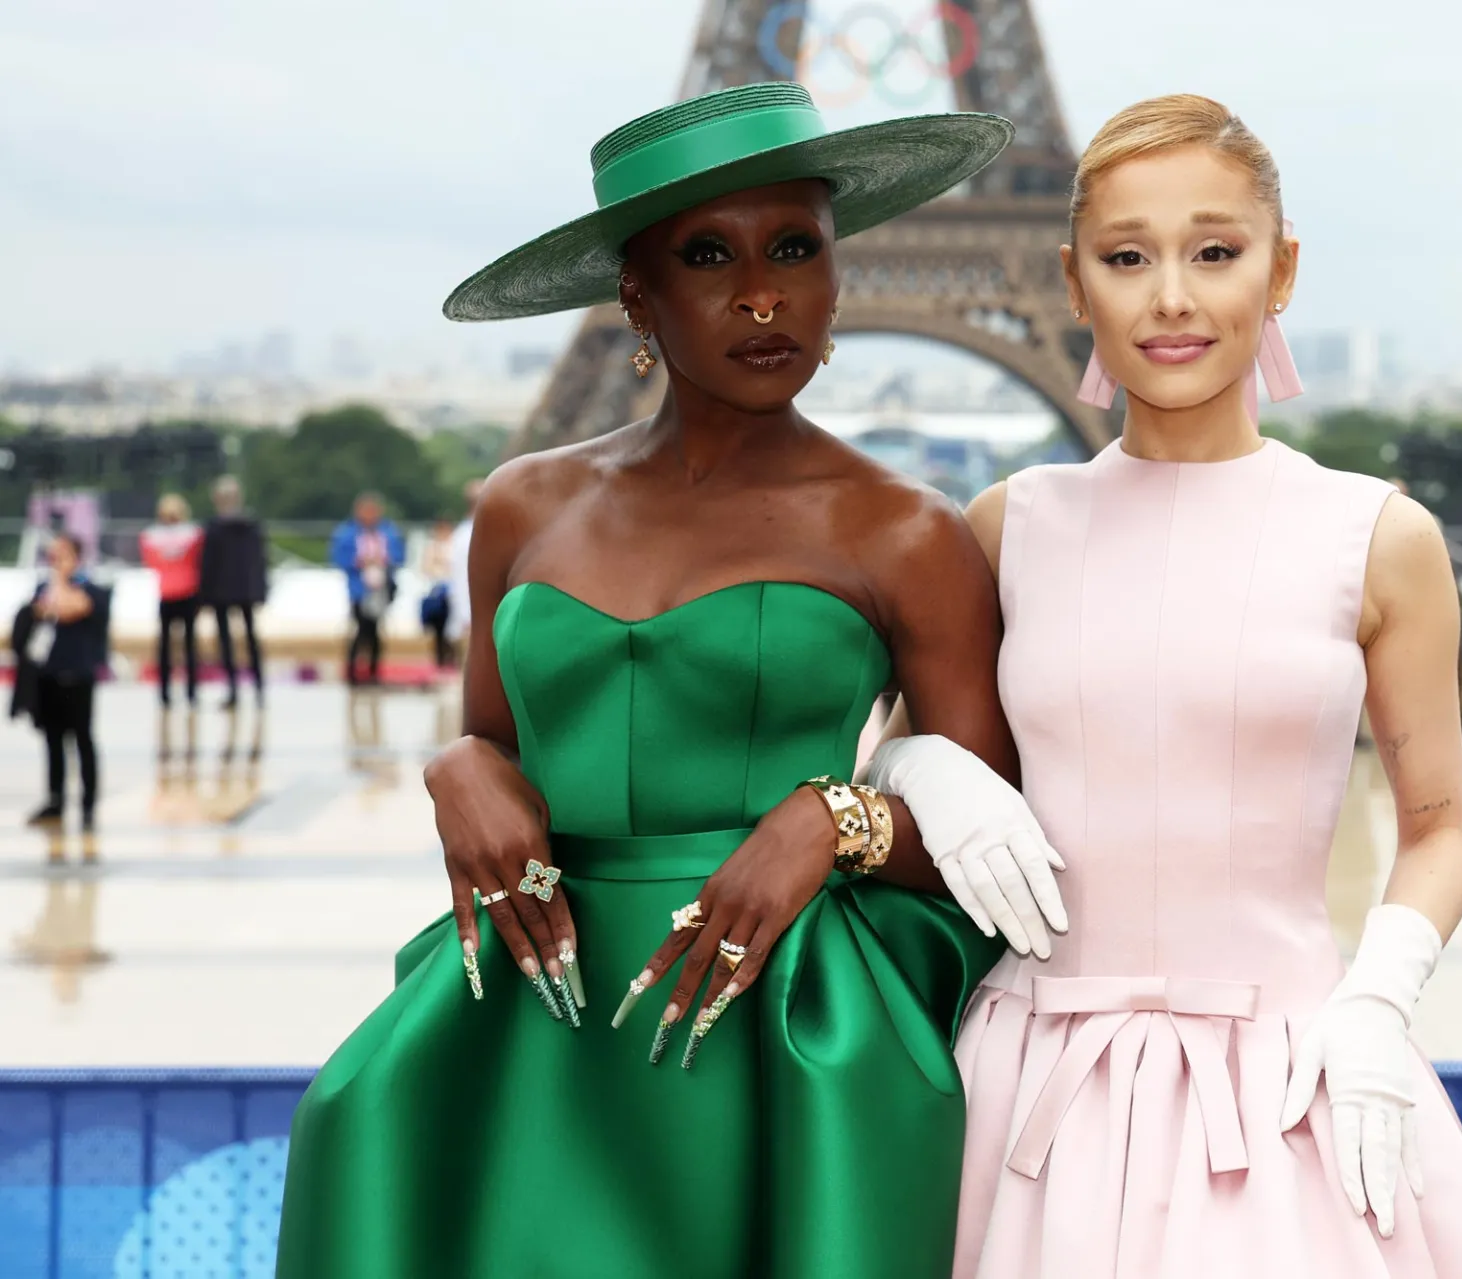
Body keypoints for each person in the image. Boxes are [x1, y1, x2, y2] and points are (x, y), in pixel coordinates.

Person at [277, 83, 1063, 1279]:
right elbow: (494, 745)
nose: (762, 294)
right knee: (357, 1125)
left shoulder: (906, 531)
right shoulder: (522, 503)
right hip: (531, 1019)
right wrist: (455, 766)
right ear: (635, 296)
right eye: (707, 255)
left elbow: (989, 847)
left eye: (794, 248)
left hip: (773, 1028)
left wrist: (831, 819)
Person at [899, 94, 1462, 1275]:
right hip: (1025, 1094)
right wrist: (918, 760)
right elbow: (878, 766)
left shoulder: (1378, 537)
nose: (1171, 296)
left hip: (1289, 1078)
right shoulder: (1003, 527)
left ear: (1280, 270)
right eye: (1126, 257)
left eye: (1215, 252)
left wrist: (1378, 999)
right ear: (1071, 283)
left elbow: (1438, 826)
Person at [19, 533, 111, 830]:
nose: (56, 560)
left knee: (82, 738)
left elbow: (71, 608)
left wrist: (59, 581)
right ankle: (55, 799)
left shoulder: (92, 589)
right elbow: (40, 609)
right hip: (49, 673)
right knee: (52, 739)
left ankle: (88, 802)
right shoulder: (43, 587)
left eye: (62, 554)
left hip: (78, 676)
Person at [198, 475, 269, 708]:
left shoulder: (214, 528)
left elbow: (207, 564)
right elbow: (261, 560)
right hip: (246, 588)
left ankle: (234, 689)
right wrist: (260, 589)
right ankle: (259, 689)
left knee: (228, 641)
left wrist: (204, 594)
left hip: (221, 590)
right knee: (250, 637)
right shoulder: (252, 526)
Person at [329, 492, 405, 686]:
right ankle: (353, 672)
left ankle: (373, 671)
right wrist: (360, 562)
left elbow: (398, 555)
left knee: (375, 631)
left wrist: (383, 561)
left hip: (380, 589)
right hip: (359, 589)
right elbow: (339, 558)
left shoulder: (387, 531)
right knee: (360, 629)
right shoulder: (348, 533)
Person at [140, 493, 204, 706]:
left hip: (167, 592)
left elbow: (151, 562)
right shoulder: (193, 535)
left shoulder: (152, 537)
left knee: (165, 646)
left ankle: (165, 692)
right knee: (189, 645)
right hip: (188, 591)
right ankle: (191, 691)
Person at [444, 478, 483, 664]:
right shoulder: (466, 536)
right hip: (470, 615)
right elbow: (461, 579)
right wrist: (466, 614)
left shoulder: (471, 532)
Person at [419, 517, 457, 668]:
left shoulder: (454, 546)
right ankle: (440, 657)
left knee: (451, 626)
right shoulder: (432, 547)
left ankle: (450, 656)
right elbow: (426, 568)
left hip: (451, 590)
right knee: (439, 628)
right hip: (436, 590)